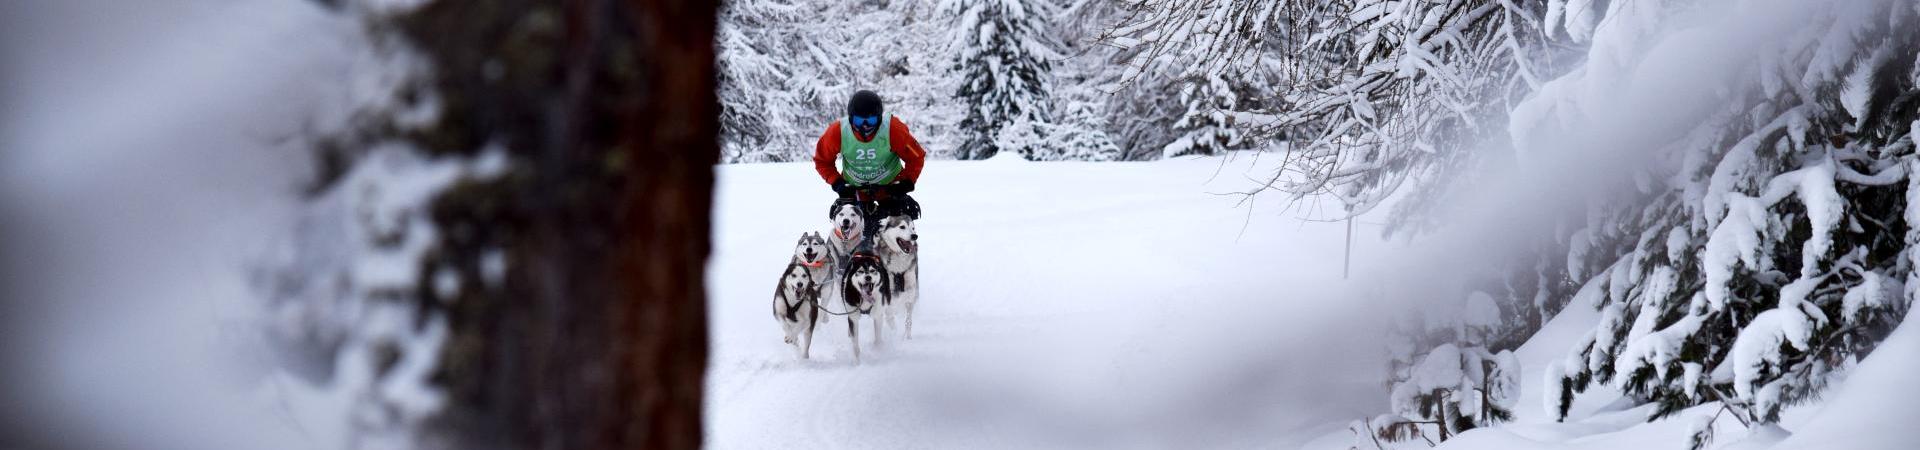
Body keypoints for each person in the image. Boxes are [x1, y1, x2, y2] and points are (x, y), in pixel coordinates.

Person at [815, 90, 925, 250]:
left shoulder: (893, 129)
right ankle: (845, 262)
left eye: (871, 120)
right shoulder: (837, 132)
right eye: (859, 121)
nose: (865, 126)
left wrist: (906, 182)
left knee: (897, 233)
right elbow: (822, 161)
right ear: (851, 119)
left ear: (879, 119)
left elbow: (916, 156)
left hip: (890, 188)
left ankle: (902, 264)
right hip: (854, 190)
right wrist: (838, 183)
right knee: (853, 236)